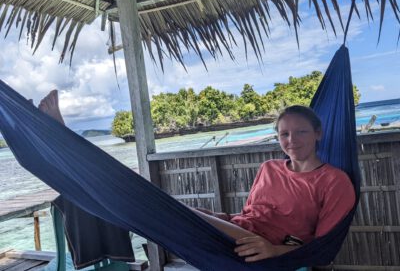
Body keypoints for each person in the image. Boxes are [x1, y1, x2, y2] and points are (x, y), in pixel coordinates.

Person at [38, 91, 355, 263]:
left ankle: (64, 142)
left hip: (265, 248)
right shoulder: (269, 169)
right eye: (284, 134)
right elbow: (251, 217)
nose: (292, 140)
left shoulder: (334, 182)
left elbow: (324, 249)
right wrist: (219, 219)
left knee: (152, 203)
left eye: (300, 132)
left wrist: (274, 252)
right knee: (157, 205)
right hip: (234, 232)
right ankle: (69, 150)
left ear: (318, 133)